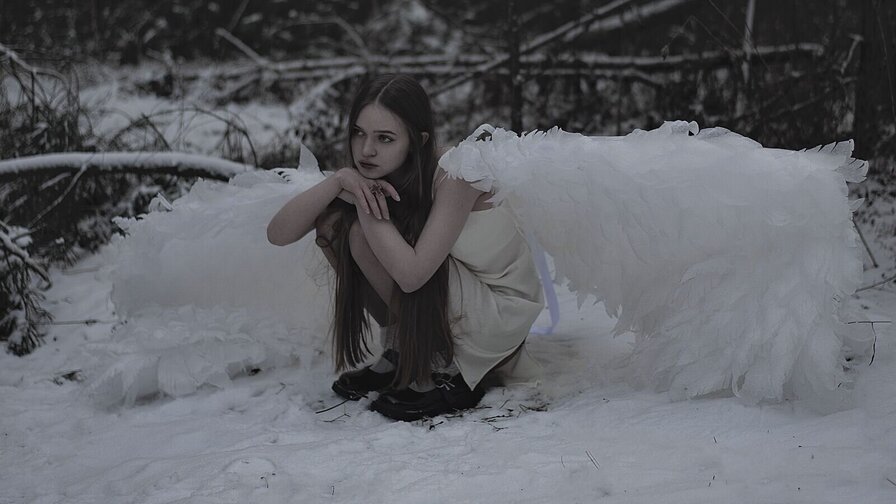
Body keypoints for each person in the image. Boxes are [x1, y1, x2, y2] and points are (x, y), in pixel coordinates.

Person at [266, 74, 545, 421]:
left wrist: (363, 202)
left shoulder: (457, 174)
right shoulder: (384, 170)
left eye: (384, 138)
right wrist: (339, 181)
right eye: (358, 133)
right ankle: (402, 348)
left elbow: (413, 275)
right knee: (333, 225)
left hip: (498, 315)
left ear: (417, 140)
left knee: (362, 233)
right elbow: (278, 234)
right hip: (457, 300)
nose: (366, 150)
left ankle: (444, 366)